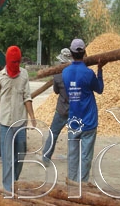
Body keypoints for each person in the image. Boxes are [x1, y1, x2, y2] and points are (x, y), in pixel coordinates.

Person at [0, 45, 37, 192]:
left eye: (18, 62)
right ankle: (8, 189)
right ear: (8, 61)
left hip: (20, 123)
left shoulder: (24, 75)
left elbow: (27, 97)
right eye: (13, 62)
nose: (16, 65)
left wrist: (32, 116)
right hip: (5, 124)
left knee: (20, 154)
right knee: (7, 158)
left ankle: (14, 181)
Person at [62, 38, 105, 183]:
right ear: (85, 52)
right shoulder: (88, 73)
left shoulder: (65, 73)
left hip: (74, 120)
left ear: (71, 53)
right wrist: (99, 70)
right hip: (88, 121)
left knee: (73, 155)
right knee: (86, 156)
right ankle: (83, 187)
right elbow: (99, 89)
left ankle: (72, 184)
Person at [42, 48, 72, 166]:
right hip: (74, 110)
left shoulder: (58, 76)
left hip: (61, 110)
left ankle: (46, 157)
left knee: (53, 133)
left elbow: (55, 91)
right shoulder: (76, 73)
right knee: (73, 135)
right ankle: (73, 158)